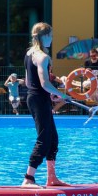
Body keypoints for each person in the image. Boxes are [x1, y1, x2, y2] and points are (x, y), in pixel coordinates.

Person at [23, 22, 70, 187]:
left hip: (36, 97)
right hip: (38, 99)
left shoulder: (29, 54)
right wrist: (61, 94)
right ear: (43, 36)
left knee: (53, 138)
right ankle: (28, 179)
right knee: (44, 138)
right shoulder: (43, 57)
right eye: (50, 35)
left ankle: (52, 178)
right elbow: (44, 83)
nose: (52, 39)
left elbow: (30, 81)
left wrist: (52, 95)